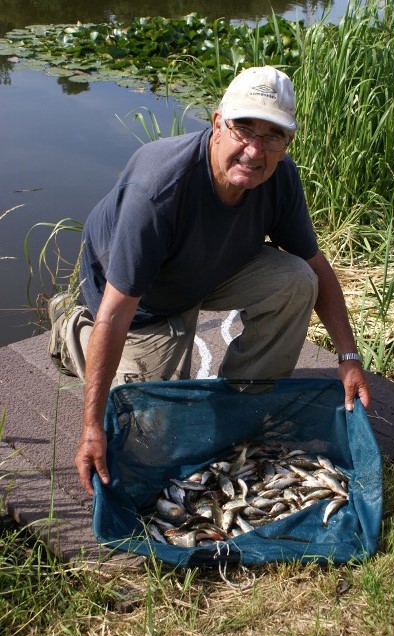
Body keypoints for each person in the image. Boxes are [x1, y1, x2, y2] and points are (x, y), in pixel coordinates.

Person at [48, 65, 370, 496]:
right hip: (145, 296)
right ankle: (70, 331)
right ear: (218, 123)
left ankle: (244, 399)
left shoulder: (280, 178)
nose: (254, 151)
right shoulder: (158, 190)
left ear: (287, 144)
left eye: (272, 136)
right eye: (244, 129)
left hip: (212, 266)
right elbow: (115, 315)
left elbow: (315, 266)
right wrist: (92, 426)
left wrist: (348, 356)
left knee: (296, 278)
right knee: (154, 427)